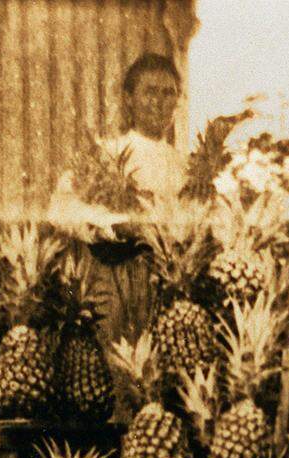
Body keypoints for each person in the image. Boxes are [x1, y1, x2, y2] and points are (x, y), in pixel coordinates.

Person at [48, 53, 188, 341]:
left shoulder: (185, 167)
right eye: (150, 92)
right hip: (114, 287)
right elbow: (60, 208)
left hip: (171, 291)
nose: (160, 102)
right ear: (128, 99)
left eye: (169, 93)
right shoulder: (106, 153)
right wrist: (112, 224)